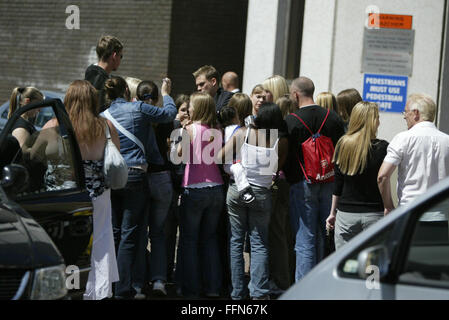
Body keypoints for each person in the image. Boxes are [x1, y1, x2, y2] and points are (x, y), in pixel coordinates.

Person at [103, 76, 177, 299]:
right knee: (129, 234)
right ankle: (123, 289)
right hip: (135, 175)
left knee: (114, 233)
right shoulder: (139, 108)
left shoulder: (103, 115)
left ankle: (109, 285)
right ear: (126, 90)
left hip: (112, 175)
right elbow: (168, 114)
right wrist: (166, 93)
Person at [218, 102, 288, 300]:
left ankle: (238, 292)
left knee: (236, 241)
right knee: (259, 243)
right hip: (262, 193)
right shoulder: (278, 141)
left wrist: (235, 165)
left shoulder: (242, 133)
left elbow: (218, 156)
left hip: (238, 189)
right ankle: (259, 293)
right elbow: (275, 169)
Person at [61, 80, 121, 300]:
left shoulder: (58, 125)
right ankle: (100, 292)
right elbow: (116, 155)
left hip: (70, 194)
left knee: (72, 242)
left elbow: (36, 154)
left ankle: (72, 288)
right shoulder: (105, 126)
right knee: (102, 239)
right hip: (100, 193)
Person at [285, 76, 345, 282]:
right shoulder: (333, 118)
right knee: (322, 235)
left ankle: (304, 290)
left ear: (295, 94)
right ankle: (320, 285)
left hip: (303, 183)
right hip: (329, 180)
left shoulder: (291, 121)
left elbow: (286, 155)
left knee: (305, 238)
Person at [176, 92, 225, 298]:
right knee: (210, 239)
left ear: (198, 109)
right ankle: (213, 288)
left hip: (194, 188)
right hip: (216, 187)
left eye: (192, 106)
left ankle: (192, 289)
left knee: (189, 239)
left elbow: (179, 156)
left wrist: (181, 133)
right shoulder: (217, 130)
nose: (189, 109)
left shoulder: (189, 129)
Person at [325, 102, 388, 250]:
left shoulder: (343, 144)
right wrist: (388, 206)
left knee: (344, 262)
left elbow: (338, 183)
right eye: (377, 117)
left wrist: (332, 212)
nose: (379, 122)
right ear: (372, 121)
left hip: (346, 214)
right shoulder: (383, 147)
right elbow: (382, 179)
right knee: (373, 261)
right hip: (374, 213)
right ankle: (372, 275)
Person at [378, 94, 449, 219]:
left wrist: (388, 206)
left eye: (405, 112)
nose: (404, 116)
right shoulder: (447, 140)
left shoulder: (403, 138)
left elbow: (383, 176)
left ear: (416, 113)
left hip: (409, 213)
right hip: (440, 214)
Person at [135, 79, 174, 296]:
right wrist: (167, 94)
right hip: (162, 178)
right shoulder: (164, 118)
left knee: (140, 233)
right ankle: (159, 281)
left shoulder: (136, 115)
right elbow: (170, 111)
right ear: (157, 97)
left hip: (142, 176)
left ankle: (138, 284)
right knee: (158, 233)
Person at [85, 35, 124, 112]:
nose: (120, 60)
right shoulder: (99, 79)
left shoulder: (92, 73)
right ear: (114, 56)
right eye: (121, 56)